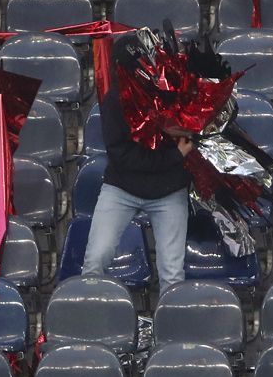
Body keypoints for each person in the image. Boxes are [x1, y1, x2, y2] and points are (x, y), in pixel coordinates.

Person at [81, 34, 193, 294]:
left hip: (169, 190)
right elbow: (121, 155)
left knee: (173, 275)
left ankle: (169, 333)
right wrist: (174, 157)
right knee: (95, 261)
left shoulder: (171, 92)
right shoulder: (113, 100)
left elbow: (190, 132)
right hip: (122, 188)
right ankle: (89, 326)